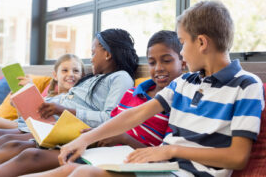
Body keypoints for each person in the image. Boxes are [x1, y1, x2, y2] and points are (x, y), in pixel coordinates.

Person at [37, 0, 263, 177]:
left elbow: (237, 157)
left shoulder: (246, 85)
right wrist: (84, 140)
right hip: (160, 166)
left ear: (202, 43)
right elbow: (136, 113)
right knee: (71, 168)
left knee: (83, 173)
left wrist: (170, 150)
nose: (182, 53)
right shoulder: (185, 82)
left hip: (186, 173)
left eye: (182, 43)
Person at [20, 30, 186, 177]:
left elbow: (164, 153)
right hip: (100, 151)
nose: (158, 68)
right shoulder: (131, 94)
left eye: (166, 61)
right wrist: (95, 134)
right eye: (152, 62)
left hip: (132, 159)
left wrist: (124, 138)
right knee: (29, 151)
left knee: (44, 159)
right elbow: (110, 125)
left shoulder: (179, 103)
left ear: (183, 62)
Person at [0, 28, 139, 176]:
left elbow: (110, 119)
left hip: (68, 131)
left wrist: (61, 110)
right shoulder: (92, 78)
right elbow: (63, 101)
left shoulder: (121, 77)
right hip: (49, 124)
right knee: (1, 135)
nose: (91, 58)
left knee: (16, 146)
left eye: (93, 53)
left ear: (106, 54)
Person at [0, 53, 85, 166]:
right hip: (24, 125)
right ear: (55, 75)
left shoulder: (75, 100)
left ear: (82, 75)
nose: (71, 74)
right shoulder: (49, 98)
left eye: (76, 71)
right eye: (65, 70)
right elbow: (23, 118)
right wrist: (20, 103)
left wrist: (31, 93)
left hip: (36, 129)